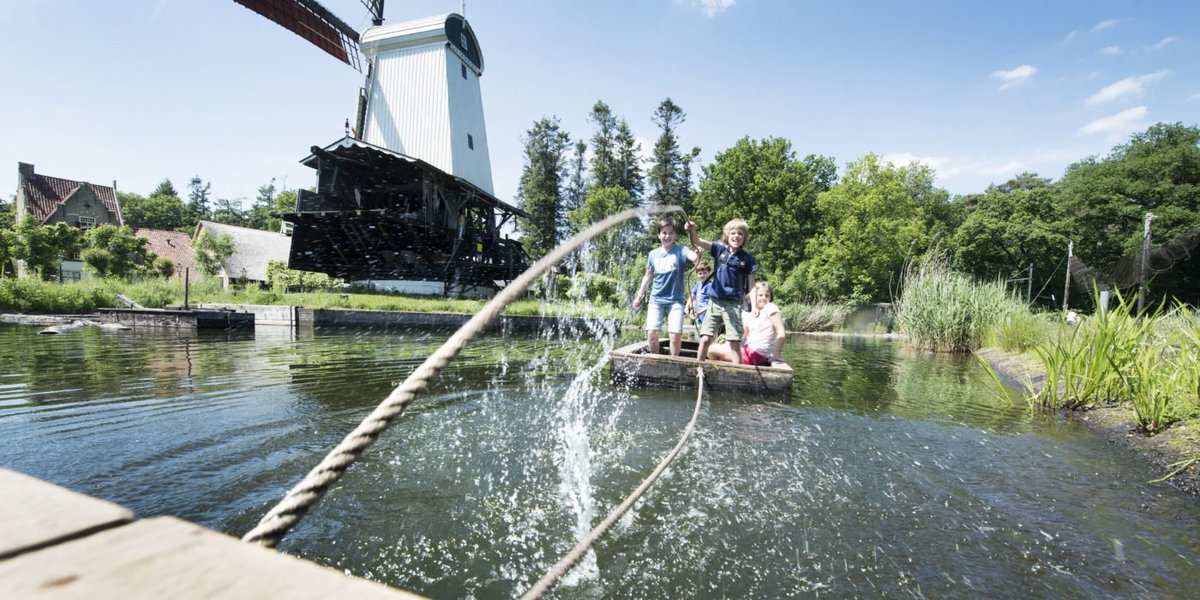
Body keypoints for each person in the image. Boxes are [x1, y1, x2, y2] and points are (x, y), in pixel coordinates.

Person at [684, 218, 757, 363]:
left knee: (734, 341)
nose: (736, 236)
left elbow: (752, 285)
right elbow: (698, 242)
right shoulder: (718, 249)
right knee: (705, 339)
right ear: (727, 235)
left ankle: (737, 372)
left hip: (734, 304)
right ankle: (699, 367)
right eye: (733, 233)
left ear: (744, 238)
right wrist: (692, 230)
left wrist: (754, 307)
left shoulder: (748, 259)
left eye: (740, 234)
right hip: (715, 302)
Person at [633, 218, 698, 356]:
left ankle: (674, 362)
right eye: (664, 232)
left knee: (675, 335)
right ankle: (656, 359)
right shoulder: (653, 254)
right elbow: (647, 277)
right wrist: (639, 296)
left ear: (675, 235)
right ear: (659, 235)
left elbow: (694, 257)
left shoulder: (681, 249)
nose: (667, 236)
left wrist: (698, 250)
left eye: (670, 233)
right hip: (656, 299)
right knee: (652, 333)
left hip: (675, 300)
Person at [706, 281, 785, 365]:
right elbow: (741, 336)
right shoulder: (753, 313)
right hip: (748, 350)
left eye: (767, 295)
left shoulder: (770, 307)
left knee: (710, 350)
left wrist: (777, 353)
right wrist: (726, 344)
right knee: (716, 348)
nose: (764, 298)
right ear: (753, 297)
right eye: (760, 295)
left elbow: (781, 331)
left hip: (755, 354)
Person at [685, 260, 712, 339]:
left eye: (705, 273)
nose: (702, 275)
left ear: (709, 273)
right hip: (697, 315)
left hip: (706, 314)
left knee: (706, 335)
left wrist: (699, 312)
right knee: (697, 335)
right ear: (697, 274)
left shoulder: (710, 285)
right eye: (700, 273)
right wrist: (687, 307)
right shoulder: (698, 284)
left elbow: (711, 303)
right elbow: (692, 295)